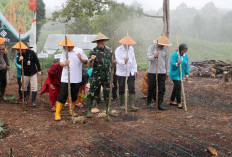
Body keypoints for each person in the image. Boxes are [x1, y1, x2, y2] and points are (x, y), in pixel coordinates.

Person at [55, 37, 88, 121]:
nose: (65, 48)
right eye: (64, 47)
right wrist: (64, 63)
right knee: (63, 95)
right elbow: (61, 63)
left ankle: (71, 111)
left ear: (71, 46)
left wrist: (80, 58)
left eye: (66, 47)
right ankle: (57, 113)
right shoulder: (64, 53)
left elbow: (86, 61)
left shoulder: (79, 51)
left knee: (74, 95)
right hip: (66, 78)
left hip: (76, 78)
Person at [86, 32, 116, 117]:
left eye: (102, 41)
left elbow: (111, 62)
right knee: (92, 93)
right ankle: (88, 110)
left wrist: (114, 62)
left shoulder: (109, 50)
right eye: (98, 41)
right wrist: (91, 60)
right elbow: (89, 65)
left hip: (107, 76)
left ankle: (108, 109)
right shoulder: (93, 51)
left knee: (107, 93)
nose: (100, 43)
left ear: (104, 41)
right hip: (96, 76)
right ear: (96, 42)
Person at [147, 34, 172, 110]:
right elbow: (148, 57)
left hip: (162, 72)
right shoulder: (151, 48)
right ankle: (149, 102)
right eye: (160, 44)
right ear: (158, 42)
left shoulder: (166, 50)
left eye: (163, 44)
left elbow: (167, 61)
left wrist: (167, 72)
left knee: (162, 88)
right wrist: (154, 56)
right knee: (151, 87)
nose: (161, 45)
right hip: (152, 71)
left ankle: (159, 104)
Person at [115, 35, 139, 111]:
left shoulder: (132, 49)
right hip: (121, 72)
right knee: (121, 87)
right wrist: (123, 62)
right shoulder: (118, 50)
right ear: (124, 43)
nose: (129, 45)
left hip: (131, 72)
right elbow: (118, 60)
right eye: (127, 44)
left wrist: (135, 69)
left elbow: (134, 60)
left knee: (132, 87)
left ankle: (132, 105)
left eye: (129, 44)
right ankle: (122, 104)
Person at [14, 41, 41, 106]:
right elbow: (18, 62)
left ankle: (33, 102)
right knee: (23, 87)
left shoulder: (32, 53)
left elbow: (37, 61)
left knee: (34, 87)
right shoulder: (19, 55)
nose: (21, 50)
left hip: (33, 73)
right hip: (24, 73)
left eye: (22, 49)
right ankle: (25, 99)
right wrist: (20, 60)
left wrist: (39, 70)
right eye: (20, 49)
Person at [169, 43, 189, 109]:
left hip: (181, 74)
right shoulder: (175, 55)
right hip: (174, 74)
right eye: (183, 50)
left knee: (176, 87)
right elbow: (172, 63)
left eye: (185, 50)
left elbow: (186, 65)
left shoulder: (185, 56)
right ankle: (179, 102)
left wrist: (187, 74)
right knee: (178, 86)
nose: (184, 52)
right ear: (180, 49)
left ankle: (171, 100)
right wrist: (177, 63)